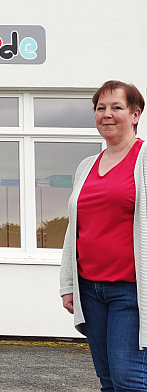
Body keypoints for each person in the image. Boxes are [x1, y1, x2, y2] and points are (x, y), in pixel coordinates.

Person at [60, 80, 147, 391]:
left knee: (129, 380)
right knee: (107, 379)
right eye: (100, 108)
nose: (107, 114)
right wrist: (69, 283)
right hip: (91, 290)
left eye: (117, 107)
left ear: (135, 114)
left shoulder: (144, 160)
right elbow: (75, 228)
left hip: (130, 291)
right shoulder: (86, 166)